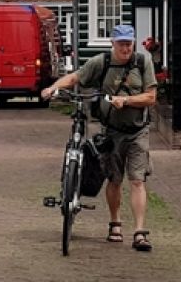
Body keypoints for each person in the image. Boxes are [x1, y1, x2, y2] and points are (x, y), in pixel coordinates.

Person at [43, 24, 158, 251]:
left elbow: (151, 97)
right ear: (113, 44)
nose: (126, 48)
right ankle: (115, 223)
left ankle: (139, 233)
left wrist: (126, 101)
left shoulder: (143, 63)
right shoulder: (101, 62)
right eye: (121, 44)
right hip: (111, 131)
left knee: (137, 180)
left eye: (129, 43)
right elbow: (76, 77)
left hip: (137, 131)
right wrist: (52, 88)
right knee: (114, 180)